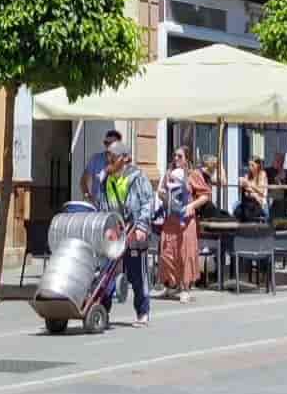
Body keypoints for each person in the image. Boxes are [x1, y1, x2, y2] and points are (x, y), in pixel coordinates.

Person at [104, 146, 154, 326]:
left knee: (137, 275)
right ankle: (102, 311)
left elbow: (148, 202)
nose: (109, 159)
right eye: (108, 155)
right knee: (107, 273)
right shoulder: (107, 178)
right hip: (115, 233)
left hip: (134, 232)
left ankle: (143, 312)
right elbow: (104, 205)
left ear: (125, 158)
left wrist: (141, 226)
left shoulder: (137, 178)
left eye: (113, 156)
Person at [157, 147, 200, 303]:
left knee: (184, 253)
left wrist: (191, 206)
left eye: (180, 156)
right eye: (174, 155)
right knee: (167, 252)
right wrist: (162, 195)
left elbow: (205, 195)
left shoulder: (192, 175)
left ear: (186, 159)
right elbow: (160, 191)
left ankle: (185, 288)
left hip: (186, 220)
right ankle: (169, 285)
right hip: (170, 218)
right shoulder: (169, 174)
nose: (176, 158)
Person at [82, 129, 123, 205]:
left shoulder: (123, 162)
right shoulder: (95, 159)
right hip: (98, 208)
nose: (108, 146)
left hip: (116, 208)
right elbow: (84, 180)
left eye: (112, 143)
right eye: (106, 143)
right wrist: (87, 195)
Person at [235, 156, 270, 223]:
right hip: (248, 203)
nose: (250, 167)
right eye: (249, 165)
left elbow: (261, 191)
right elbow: (244, 191)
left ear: (258, 165)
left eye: (252, 165)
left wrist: (249, 185)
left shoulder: (262, 174)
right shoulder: (248, 175)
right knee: (236, 208)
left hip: (260, 204)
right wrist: (242, 184)